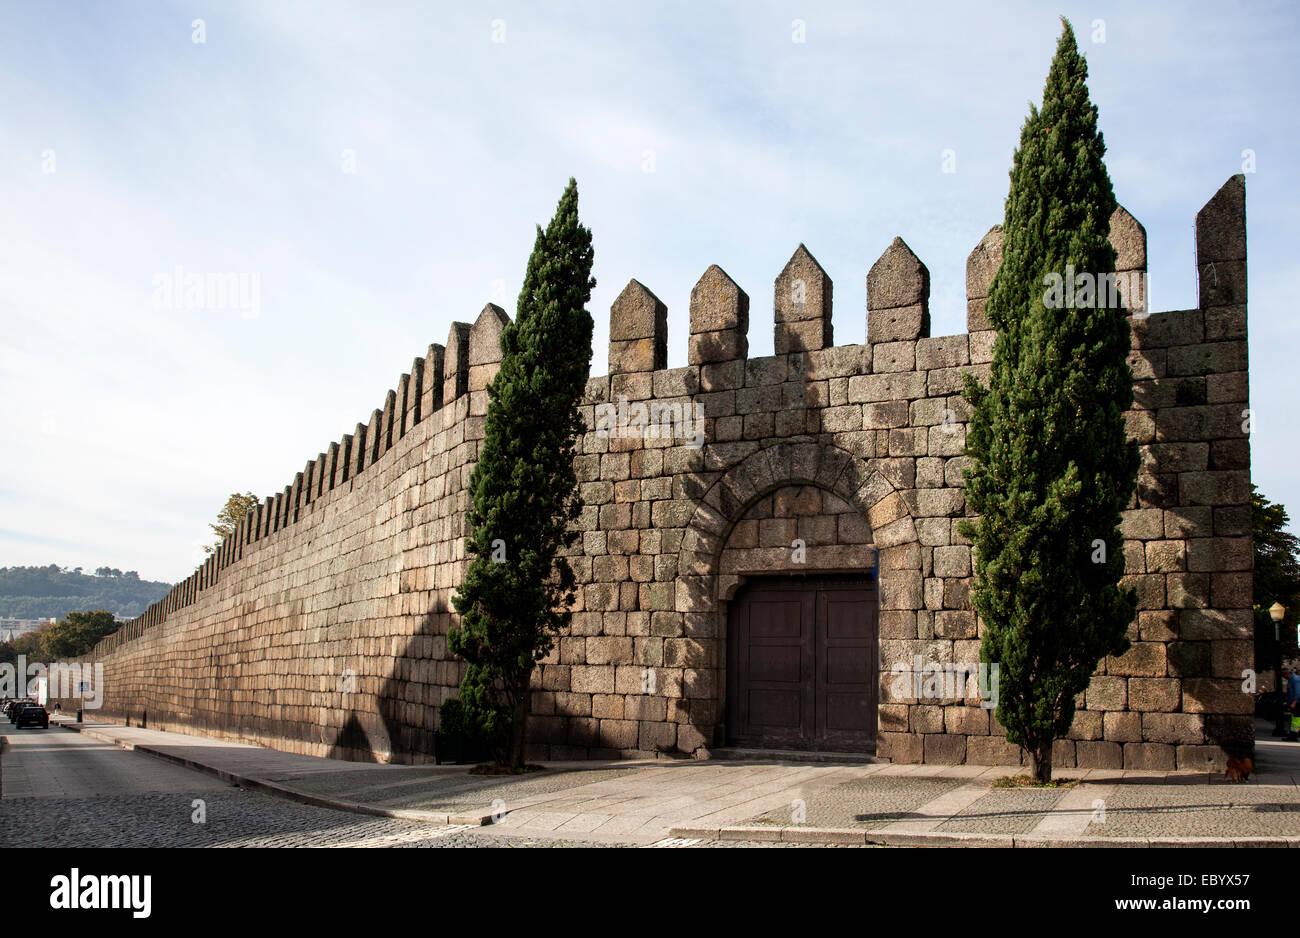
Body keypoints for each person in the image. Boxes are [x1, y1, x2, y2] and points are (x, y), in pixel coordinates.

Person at [1285, 667, 1300, 741]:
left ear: (1288, 673)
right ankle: (1293, 735)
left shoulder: (1295, 679)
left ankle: (1293, 736)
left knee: (1296, 719)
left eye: (1284, 675)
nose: (1284, 677)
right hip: (1296, 703)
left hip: (1297, 703)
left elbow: (1297, 692)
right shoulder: (1293, 679)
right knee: (1295, 719)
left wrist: (1294, 703)